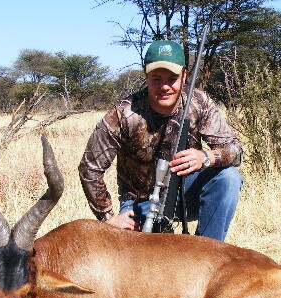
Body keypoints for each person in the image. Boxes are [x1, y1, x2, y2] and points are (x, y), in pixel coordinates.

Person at [78, 40, 242, 241]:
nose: (164, 87)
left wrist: (205, 156)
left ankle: (208, 251)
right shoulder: (123, 113)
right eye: (156, 79)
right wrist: (108, 219)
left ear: (184, 76)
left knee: (228, 178)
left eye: (172, 78)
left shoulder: (200, 102)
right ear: (146, 75)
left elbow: (235, 150)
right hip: (138, 206)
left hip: (184, 196)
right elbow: (89, 167)